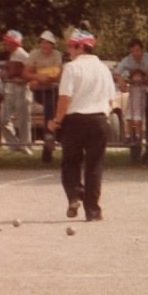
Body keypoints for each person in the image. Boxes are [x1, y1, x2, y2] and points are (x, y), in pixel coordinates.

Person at [48, 29, 116, 220]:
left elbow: (64, 98)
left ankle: (75, 194)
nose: (69, 50)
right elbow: (111, 100)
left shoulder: (71, 67)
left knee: (70, 162)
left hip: (75, 120)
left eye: (71, 46)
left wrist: (56, 121)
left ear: (80, 47)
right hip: (100, 119)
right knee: (95, 166)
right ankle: (93, 211)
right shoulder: (104, 69)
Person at [114, 37, 148, 162]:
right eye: (132, 51)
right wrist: (120, 79)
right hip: (135, 92)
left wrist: (147, 78)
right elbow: (116, 73)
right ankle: (135, 153)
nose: (135, 54)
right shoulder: (127, 60)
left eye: (137, 51)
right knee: (132, 118)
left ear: (142, 50)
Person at [27, 28, 63, 162]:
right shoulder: (34, 54)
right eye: (43, 42)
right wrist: (37, 77)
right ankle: (49, 135)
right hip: (40, 90)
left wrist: (41, 77)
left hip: (52, 89)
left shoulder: (57, 55)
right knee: (50, 106)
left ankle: (49, 139)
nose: (45, 45)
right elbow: (26, 72)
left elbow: (57, 74)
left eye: (48, 43)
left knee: (51, 108)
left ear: (52, 45)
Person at [0, 28, 32, 152]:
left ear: (15, 43)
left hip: (21, 90)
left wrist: (20, 78)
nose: (6, 44)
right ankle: (15, 144)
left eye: (8, 42)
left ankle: (24, 144)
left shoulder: (21, 54)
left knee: (23, 119)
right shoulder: (13, 54)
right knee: (4, 118)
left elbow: (20, 72)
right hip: (11, 90)